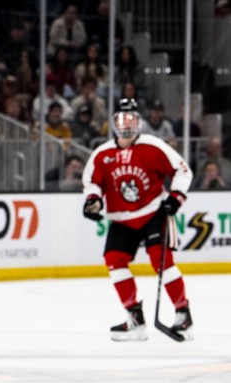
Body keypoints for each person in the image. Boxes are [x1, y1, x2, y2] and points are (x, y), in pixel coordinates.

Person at [82, 98, 195, 341]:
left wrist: (175, 197)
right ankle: (135, 318)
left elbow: (182, 170)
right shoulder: (102, 155)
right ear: (113, 123)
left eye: (131, 118)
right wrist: (93, 201)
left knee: (161, 260)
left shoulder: (153, 146)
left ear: (139, 122)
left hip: (153, 212)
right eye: (122, 119)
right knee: (114, 259)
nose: (126, 124)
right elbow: (92, 182)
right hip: (121, 218)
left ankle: (183, 315)